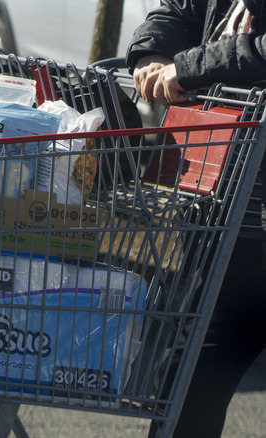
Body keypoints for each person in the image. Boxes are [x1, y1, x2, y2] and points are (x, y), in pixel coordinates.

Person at [126, 1, 266, 436]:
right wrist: (153, 55)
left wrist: (189, 68)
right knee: (185, 387)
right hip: (231, 221)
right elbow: (180, 10)